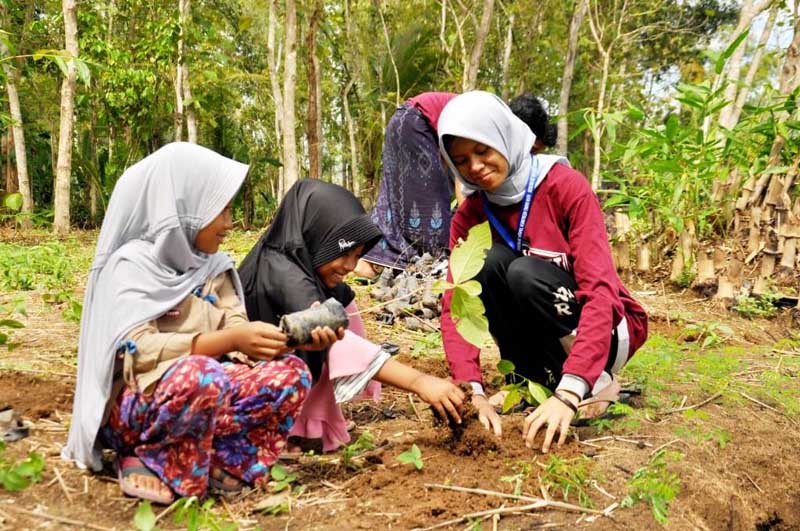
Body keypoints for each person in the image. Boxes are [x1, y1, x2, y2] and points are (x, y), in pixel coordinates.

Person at [62, 143, 312, 504]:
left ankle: (220, 460)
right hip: (140, 404)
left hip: (204, 394)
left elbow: (238, 332)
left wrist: (287, 340)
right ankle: (149, 455)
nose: (229, 224)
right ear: (185, 207)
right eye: (221, 210)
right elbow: (141, 351)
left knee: (292, 375)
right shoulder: (130, 266)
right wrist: (227, 342)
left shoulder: (213, 265)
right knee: (199, 375)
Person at [437, 92, 648, 453]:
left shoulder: (564, 188)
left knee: (524, 273)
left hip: (609, 330)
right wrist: (471, 390)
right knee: (485, 264)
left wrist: (570, 392)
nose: (474, 167)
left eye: (482, 151)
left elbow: (599, 290)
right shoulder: (469, 216)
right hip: (540, 327)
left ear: (504, 136)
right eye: (461, 160)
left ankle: (595, 383)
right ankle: (527, 380)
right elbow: (457, 307)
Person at [239, 179, 465, 451]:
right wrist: (419, 381)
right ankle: (297, 425)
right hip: (255, 388)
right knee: (326, 325)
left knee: (342, 301)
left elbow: (342, 319)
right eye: (345, 252)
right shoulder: (284, 274)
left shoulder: (295, 261)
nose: (351, 265)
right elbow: (337, 340)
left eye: (358, 255)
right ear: (318, 235)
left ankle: (314, 415)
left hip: (278, 372)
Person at [355, 92, 458, 278]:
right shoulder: (485, 119)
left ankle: (370, 263)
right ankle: (431, 266)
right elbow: (462, 183)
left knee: (393, 202)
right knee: (430, 204)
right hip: (416, 123)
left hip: (402, 120)